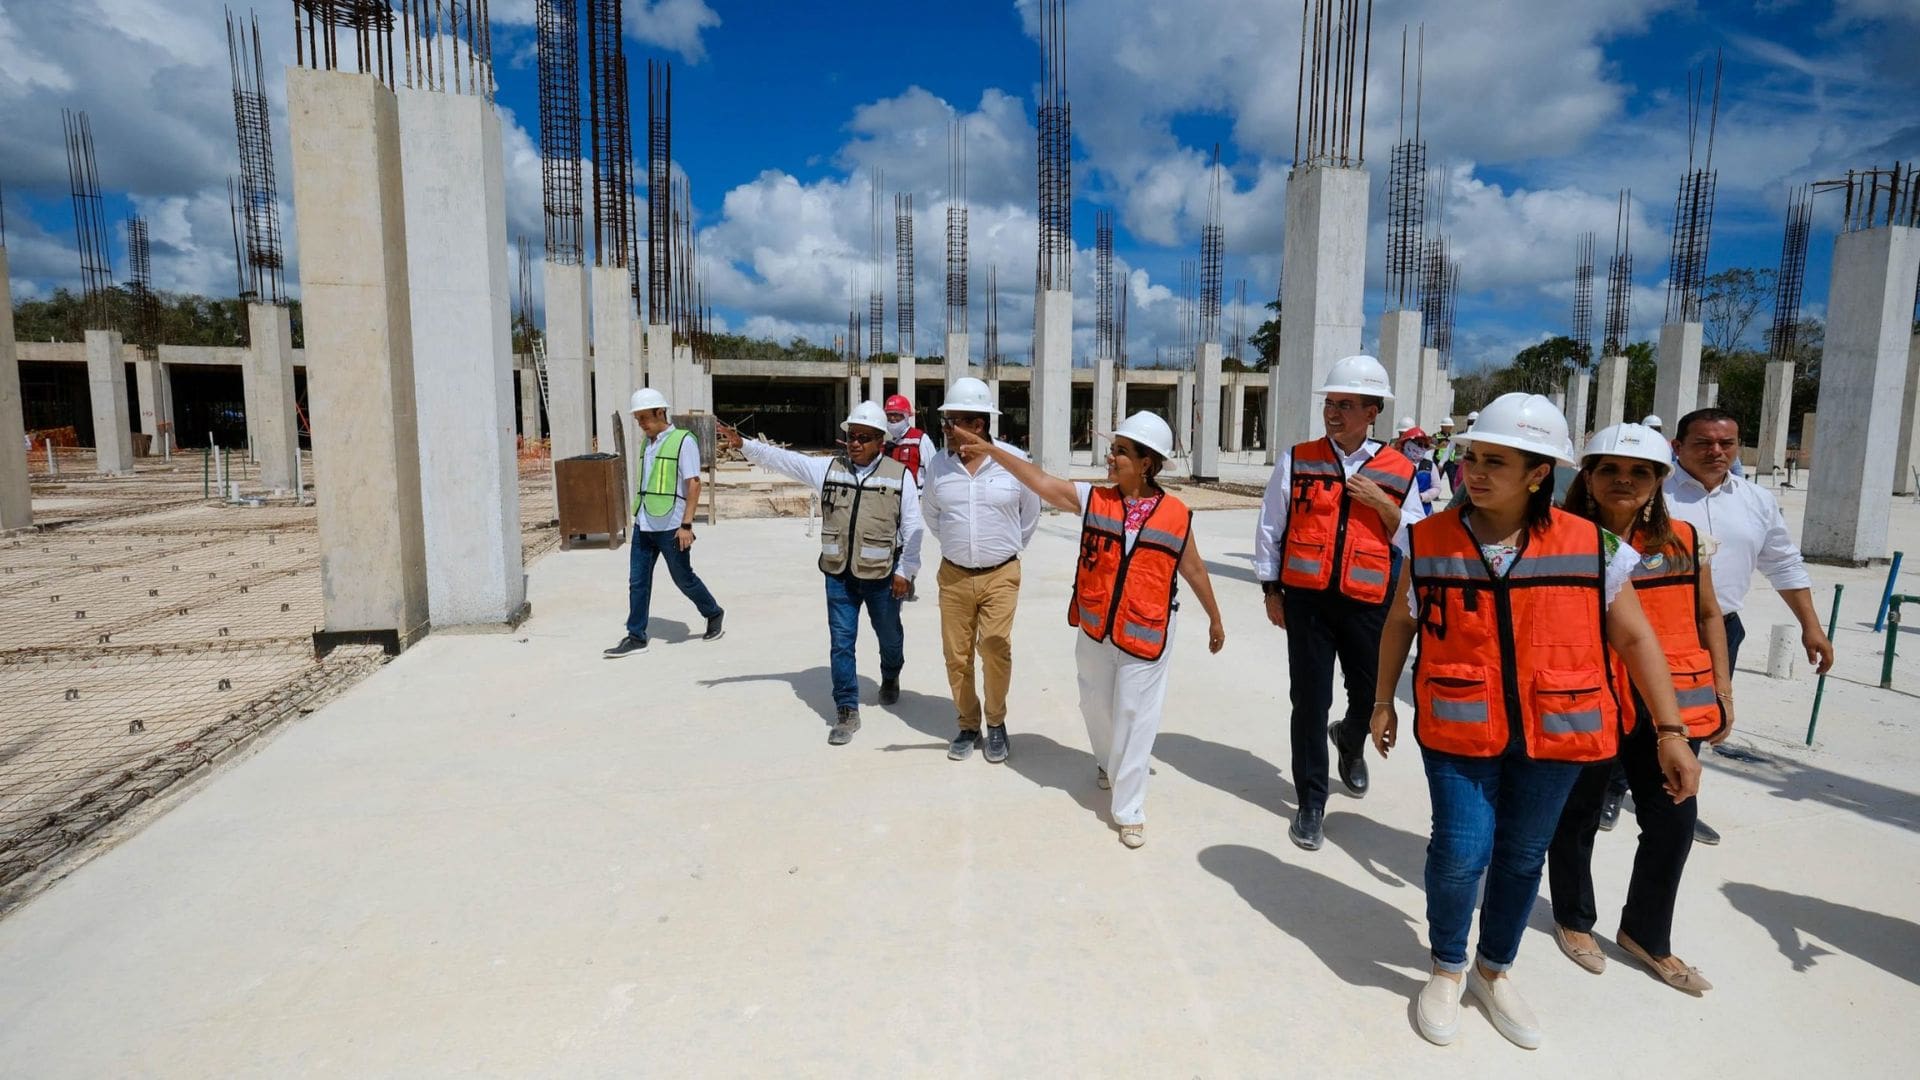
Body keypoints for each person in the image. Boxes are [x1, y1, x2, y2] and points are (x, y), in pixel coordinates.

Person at [1371, 392, 1701, 1050]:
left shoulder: (1595, 547)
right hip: (1459, 727)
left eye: (1497, 461)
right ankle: (1447, 966)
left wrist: (1671, 732)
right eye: (1473, 458)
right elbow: (1401, 623)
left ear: (1538, 473)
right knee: (1460, 853)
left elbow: (1636, 639)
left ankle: (1493, 971)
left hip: (1556, 733)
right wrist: (1382, 701)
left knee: (1523, 857)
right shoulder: (1426, 538)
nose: (1476, 472)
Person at [945, 411, 1226, 849]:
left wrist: (1215, 617)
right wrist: (991, 452)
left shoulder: (1175, 515)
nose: (1110, 457)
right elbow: (1040, 481)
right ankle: (1107, 761)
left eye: (1121, 451)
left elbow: (1193, 568)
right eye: (1113, 449)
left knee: (1135, 716)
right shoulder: (1095, 499)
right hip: (1096, 627)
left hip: (1146, 631)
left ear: (1146, 463)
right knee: (1094, 704)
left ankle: (1129, 809)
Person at [1547, 423, 1733, 995]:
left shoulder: (1685, 541)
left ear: (1658, 481)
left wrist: (1722, 687)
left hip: (1664, 706)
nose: (1623, 481)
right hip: (1588, 702)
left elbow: (1708, 614)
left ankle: (1647, 934)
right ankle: (1574, 918)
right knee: (1577, 815)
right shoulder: (1559, 539)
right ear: (1588, 477)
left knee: (1673, 822)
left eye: (1639, 472)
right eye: (1609, 469)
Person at [1252, 354, 1423, 851]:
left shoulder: (1400, 469)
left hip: (1369, 602)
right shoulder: (1298, 458)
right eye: (1330, 403)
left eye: (1346, 405)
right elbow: (1271, 525)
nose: (1333, 412)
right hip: (1307, 601)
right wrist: (1270, 588)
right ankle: (1311, 801)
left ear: (1372, 412)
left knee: (1370, 695)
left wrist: (1383, 504)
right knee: (1309, 701)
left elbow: (1419, 538)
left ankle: (1349, 738)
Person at [1662, 406, 1833, 844]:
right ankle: (1614, 787)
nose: (1716, 451)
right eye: (1703, 443)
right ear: (1678, 446)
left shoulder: (1756, 501)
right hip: (1655, 628)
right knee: (1637, 716)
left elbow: (1783, 563)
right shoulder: (1656, 493)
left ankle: (1677, 806)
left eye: (1727, 443)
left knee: (1699, 719)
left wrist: (1811, 626)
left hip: (1721, 630)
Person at [718, 401, 924, 745]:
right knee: (841, 643)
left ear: (880, 442)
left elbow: (914, 527)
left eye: (864, 437)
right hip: (839, 574)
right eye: (851, 436)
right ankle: (846, 709)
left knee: (889, 636)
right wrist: (745, 445)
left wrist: (906, 571)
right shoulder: (830, 468)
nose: (855, 443)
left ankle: (891, 674)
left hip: (881, 577)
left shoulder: (899, 475)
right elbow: (786, 460)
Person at [921, 378, 1040, 764]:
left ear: (978, 424)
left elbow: (1030, 514)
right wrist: (959, 546)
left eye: (953, 421)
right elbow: (932, 515)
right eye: (945, 421)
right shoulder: (939, 465)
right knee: (956, 655)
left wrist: (1003, 548)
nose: (946, 429)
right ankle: (968, 724)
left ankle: (996, 721)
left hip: (1001, 574)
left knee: (994, 646)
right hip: (953, 575)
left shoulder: (1012, 461)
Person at [604, 388, 725, 658]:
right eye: (637, 419)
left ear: (661, 412)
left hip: (672, 527)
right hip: (645, 524)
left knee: (683, 579)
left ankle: (713, 612)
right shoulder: (647, 444)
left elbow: (694, 484)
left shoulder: (683, 441)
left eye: (644, 418)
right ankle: (636, 636)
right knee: (638, 582)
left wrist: (687, 525)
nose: (641, 424)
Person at [884, 393, 937, 601]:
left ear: (907, 416)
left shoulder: (920, 439)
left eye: (897, 415)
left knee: (910, 539)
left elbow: (933, 470)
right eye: (890, 416)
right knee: (890, 540)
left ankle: (908, 578)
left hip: (913, 499)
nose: (893, 420)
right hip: (888, 499)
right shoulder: (885, 441)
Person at [1397, 426, 1438, 518]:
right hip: (1400, 510)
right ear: (1407, 444)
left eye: (1425, 446)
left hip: (1424, 511)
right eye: (1419, 444)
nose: (1422, 448)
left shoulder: (1429, 465)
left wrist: (1423, 496)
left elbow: (1436, 488)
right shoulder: (1397, 463)